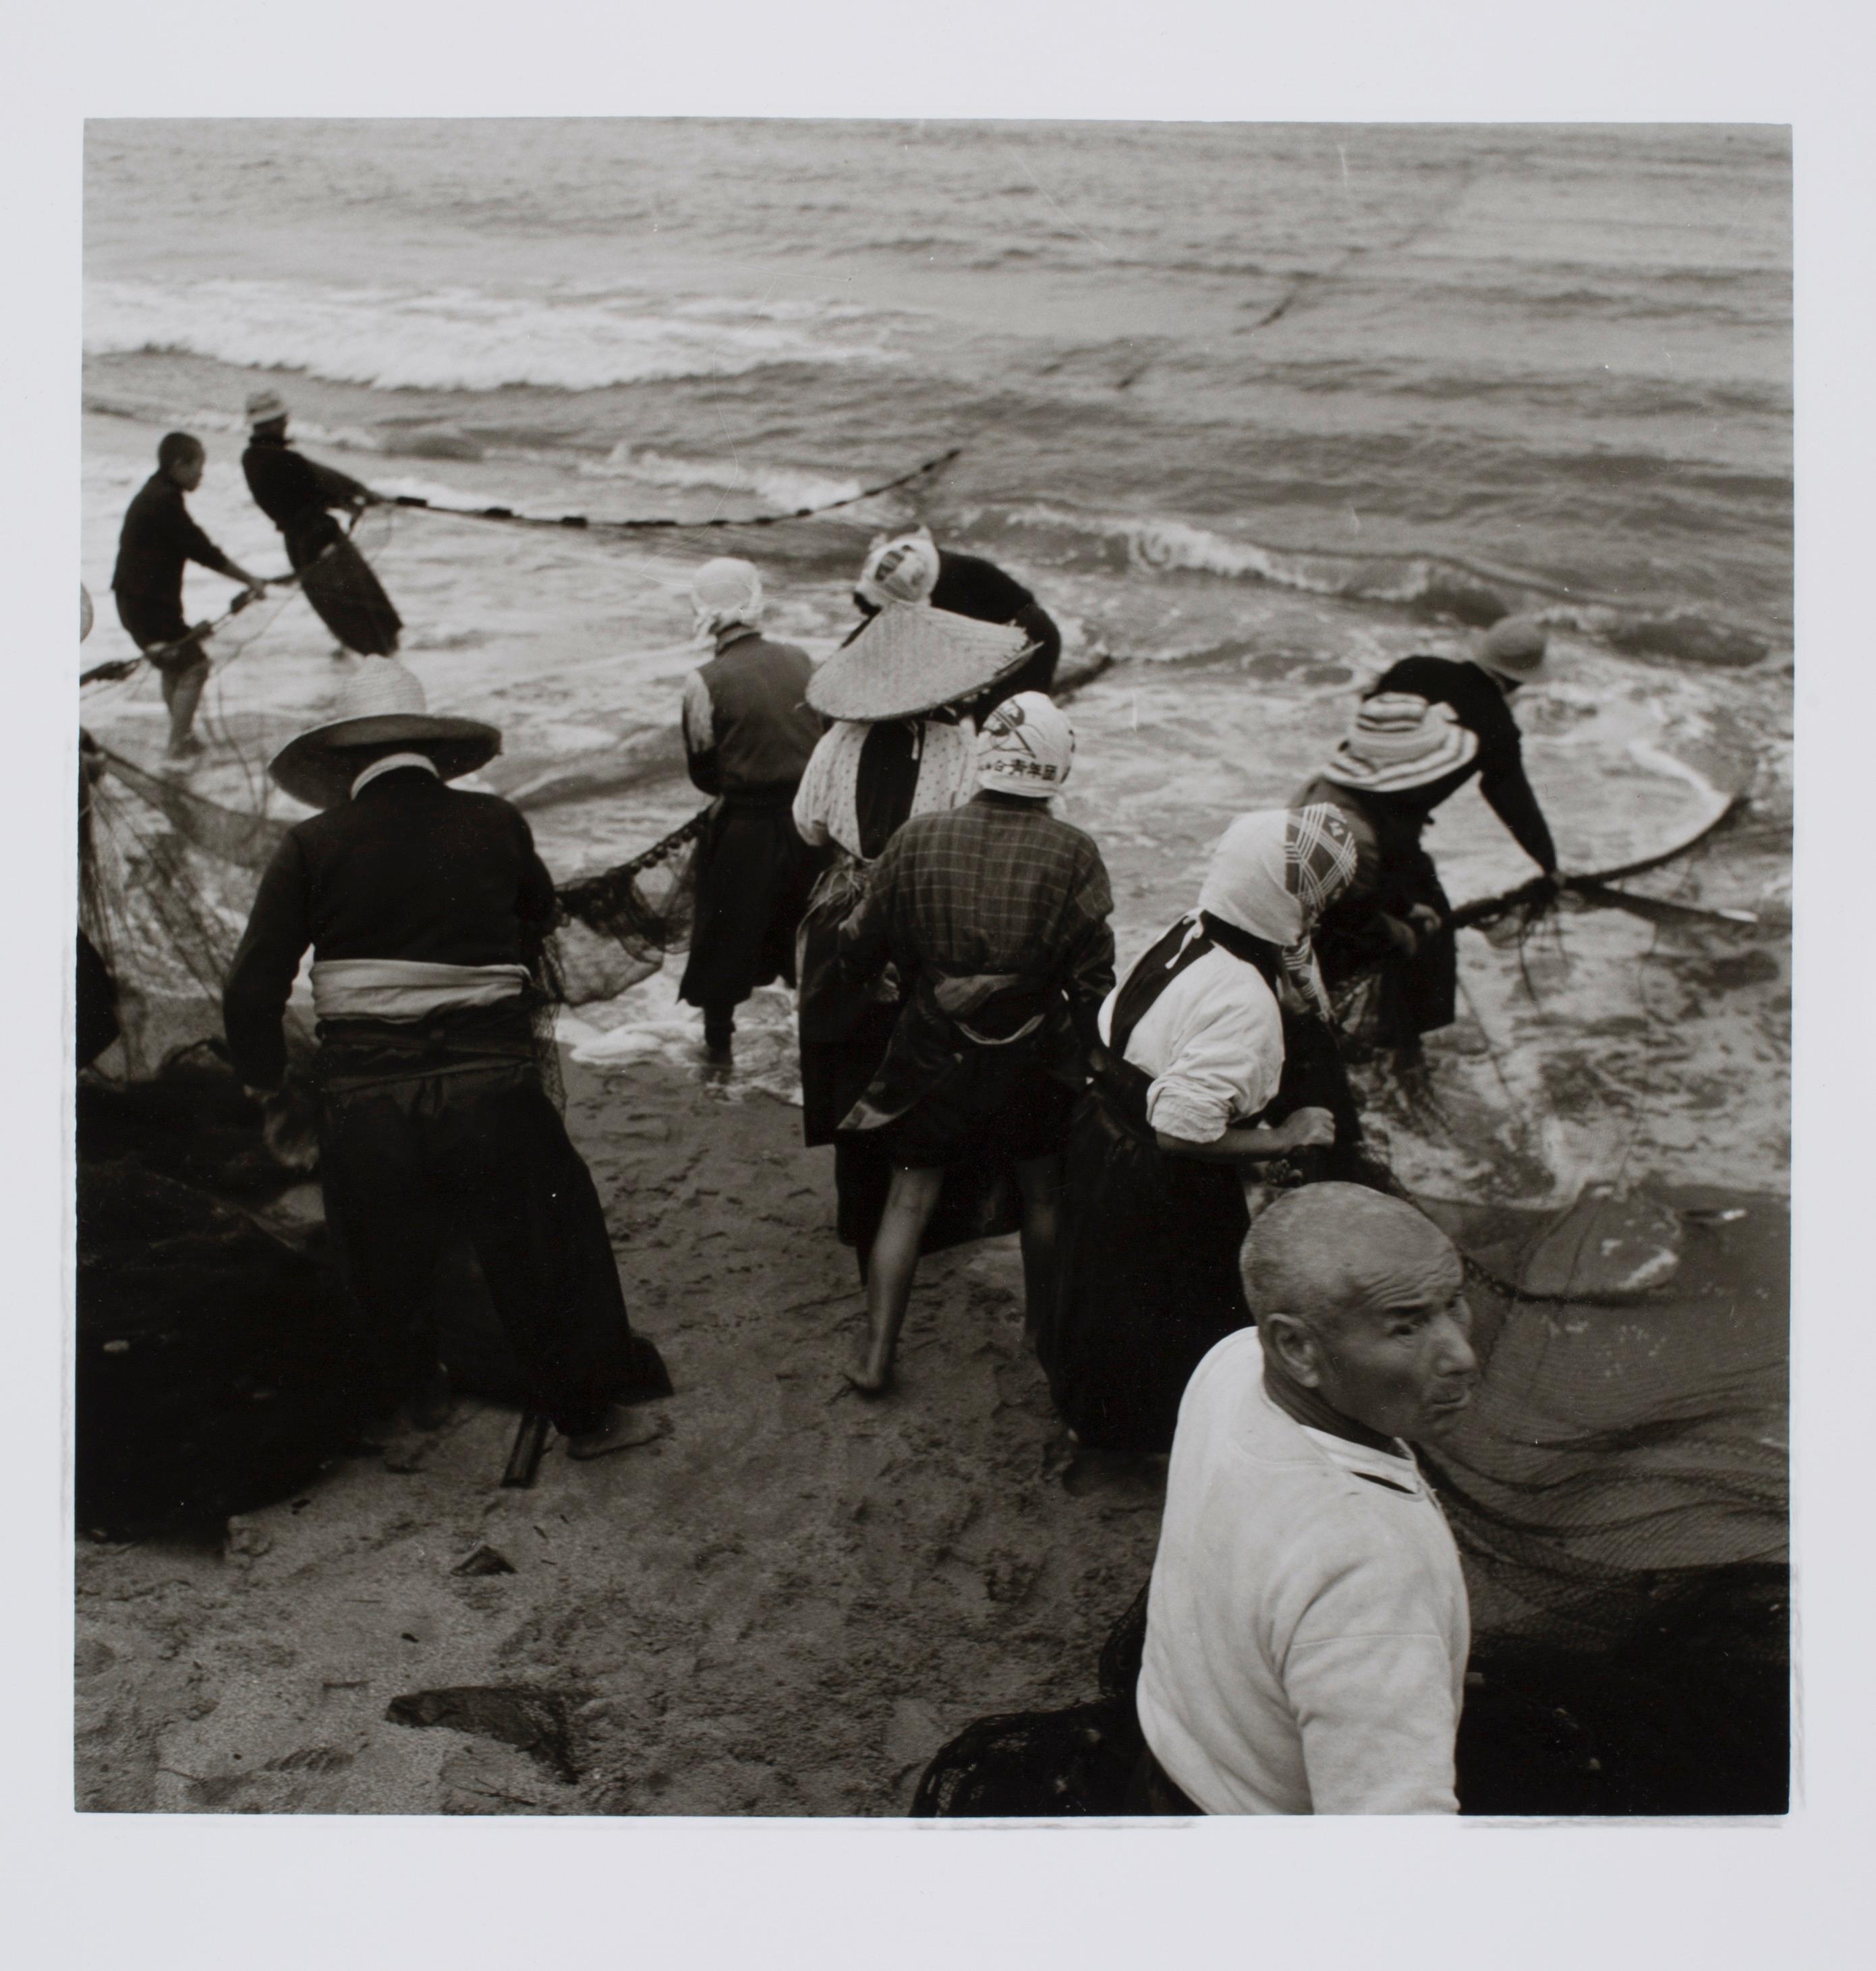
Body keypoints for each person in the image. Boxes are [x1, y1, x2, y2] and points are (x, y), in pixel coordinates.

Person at [221, 660, 671, 1458]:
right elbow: (539, 917)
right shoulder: (497, 822)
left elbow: (254, 985)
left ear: (344, 765)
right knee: (539, 1241)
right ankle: (588, 1421)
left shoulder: (311, 843)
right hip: (491, 1084)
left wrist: (264, 1081)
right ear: (431, 749)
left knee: (379, 1251)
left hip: (366, 1094)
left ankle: (414, 1409)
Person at [1131, 1183, 1479, 1815]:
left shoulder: (1232, 1363)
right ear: (1295, 1347)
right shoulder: (1369, 1571)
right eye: (1406, 1326)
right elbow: (1390, 1851)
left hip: (1180, 1753)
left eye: (1454, 1303)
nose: (1461, 1354)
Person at [1039, 805, 1361, 1456]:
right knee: (1179, 1311)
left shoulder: (1191, 929)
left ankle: (1088, 1419)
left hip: (1100, 1134)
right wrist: (1281, 1136)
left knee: (1100, 1293)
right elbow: (1180, 1133)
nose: (1318, 917)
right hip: (1156, 1174)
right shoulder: (1245, 1001)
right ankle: (1144, 1442)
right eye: (1314, 904)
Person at [834, 693, 1114, 1394]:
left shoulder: (917, 838)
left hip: (934, 1052)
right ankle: (1038, 1333)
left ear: (985, 758)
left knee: (908, 1200)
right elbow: (1092, 984)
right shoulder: (1075, 852)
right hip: (1034, 1058)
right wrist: (1099, 1063)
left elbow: (860, 947)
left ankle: (876, 1355)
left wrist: (899, 974)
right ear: (1056, 770)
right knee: (1043, 1196)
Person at [793, 594, 1037, 1270]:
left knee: (851, 1061)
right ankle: (924, 1222)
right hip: (926, 920)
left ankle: (858, 1217)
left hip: (844, 913)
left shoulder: (837, 739)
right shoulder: (962, 746)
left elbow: (807, 824)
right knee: (924, 1066)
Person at [1299, 615, 1560, 1048]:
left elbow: (1372, 730)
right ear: (1520, 681)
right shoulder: (1497, 722)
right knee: (1425, 931)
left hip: (1323, 795)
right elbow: (1514, 801)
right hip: (1380, 833)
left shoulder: (1414, 668)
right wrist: (1549, 865)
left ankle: (1328, 1024)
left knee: (1342, 920)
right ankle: (1401, 1045)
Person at [675, 557, 828, 1064]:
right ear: (755, 599)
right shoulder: (802, 658)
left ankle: (718, 1046)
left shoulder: (703, 680)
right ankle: (814, 1051)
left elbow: (704, 770)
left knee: (725, 938)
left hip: (746, 829)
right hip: (812, 825)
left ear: (700, 610)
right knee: (808, 939)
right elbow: (825, 738)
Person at [111, 432, 268, 760]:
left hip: (135, 603)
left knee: (177, 667)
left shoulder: (155, 493)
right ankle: (177, 746)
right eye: (198, 466)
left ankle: (182, 739)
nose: (201, 475)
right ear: (179, 465)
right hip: (147, 607)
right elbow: (202, 549)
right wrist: (251, 579)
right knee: (195, 666)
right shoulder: (164, 500)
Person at [240, 389, 403, 657]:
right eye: (281, 419)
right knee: (375, 622)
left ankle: (348, 663)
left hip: (298, 546)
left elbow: (305, 491)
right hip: (321, 541)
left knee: (341, 615)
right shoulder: (286, 459)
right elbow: (324, 481)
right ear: (271, 423)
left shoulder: (251, 458)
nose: (285, 423)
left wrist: (346, 499)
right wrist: (361, 493)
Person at [851, 528, 1060, 714]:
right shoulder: (912, 562)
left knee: (996, 719)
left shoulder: (950, 589)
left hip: (1030, 638)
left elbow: (966, 651)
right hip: (1008, 627)